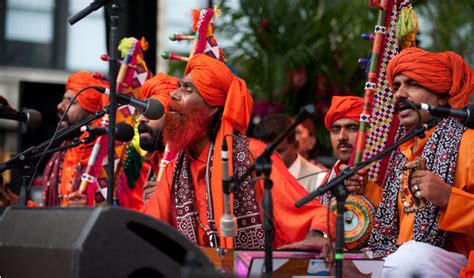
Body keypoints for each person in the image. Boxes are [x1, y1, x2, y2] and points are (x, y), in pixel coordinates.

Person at [142, 54, 335, 255]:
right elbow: (149, 224)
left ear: (212, 109)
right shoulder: (176, 168)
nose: (174, 94)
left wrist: (318, 235)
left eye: (188, 89)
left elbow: (309, 214)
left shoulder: (252, 155)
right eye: (179, 86)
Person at [362, 47, 474, 277]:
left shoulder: (468, 144)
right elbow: (396, 223)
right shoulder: (403, 151)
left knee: (412, 257)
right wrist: (363, 188)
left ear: (442, 97)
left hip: (461, 264)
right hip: (400, 258)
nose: (399, 94)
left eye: (412, 84)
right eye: (396, 86)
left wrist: (448, 198)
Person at [41, 72, 144, 209]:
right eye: (63, 99)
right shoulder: (61, 153)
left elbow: (134, 211)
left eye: (71, 101)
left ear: (91, 113)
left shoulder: (114, 158)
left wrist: (90, 207)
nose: (60, 105)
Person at [320, 95, 382, 207]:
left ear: (369, 132)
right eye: (335, 130)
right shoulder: (327, 179)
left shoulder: (385, 171)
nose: (342, 137)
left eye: (352, 128)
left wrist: (368, 189)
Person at [253, 113, 328, 193]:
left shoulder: (318, 179)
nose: (270, 158)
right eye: (264, 153)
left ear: (296, 145)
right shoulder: (254, 177)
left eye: (279, 152)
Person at [138, 73, 179, 202]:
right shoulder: (156, 161)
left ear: (173, 116)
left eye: (152, 111)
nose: (142, 119)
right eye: (142, 111)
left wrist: (169, 196)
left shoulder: (190, 157)